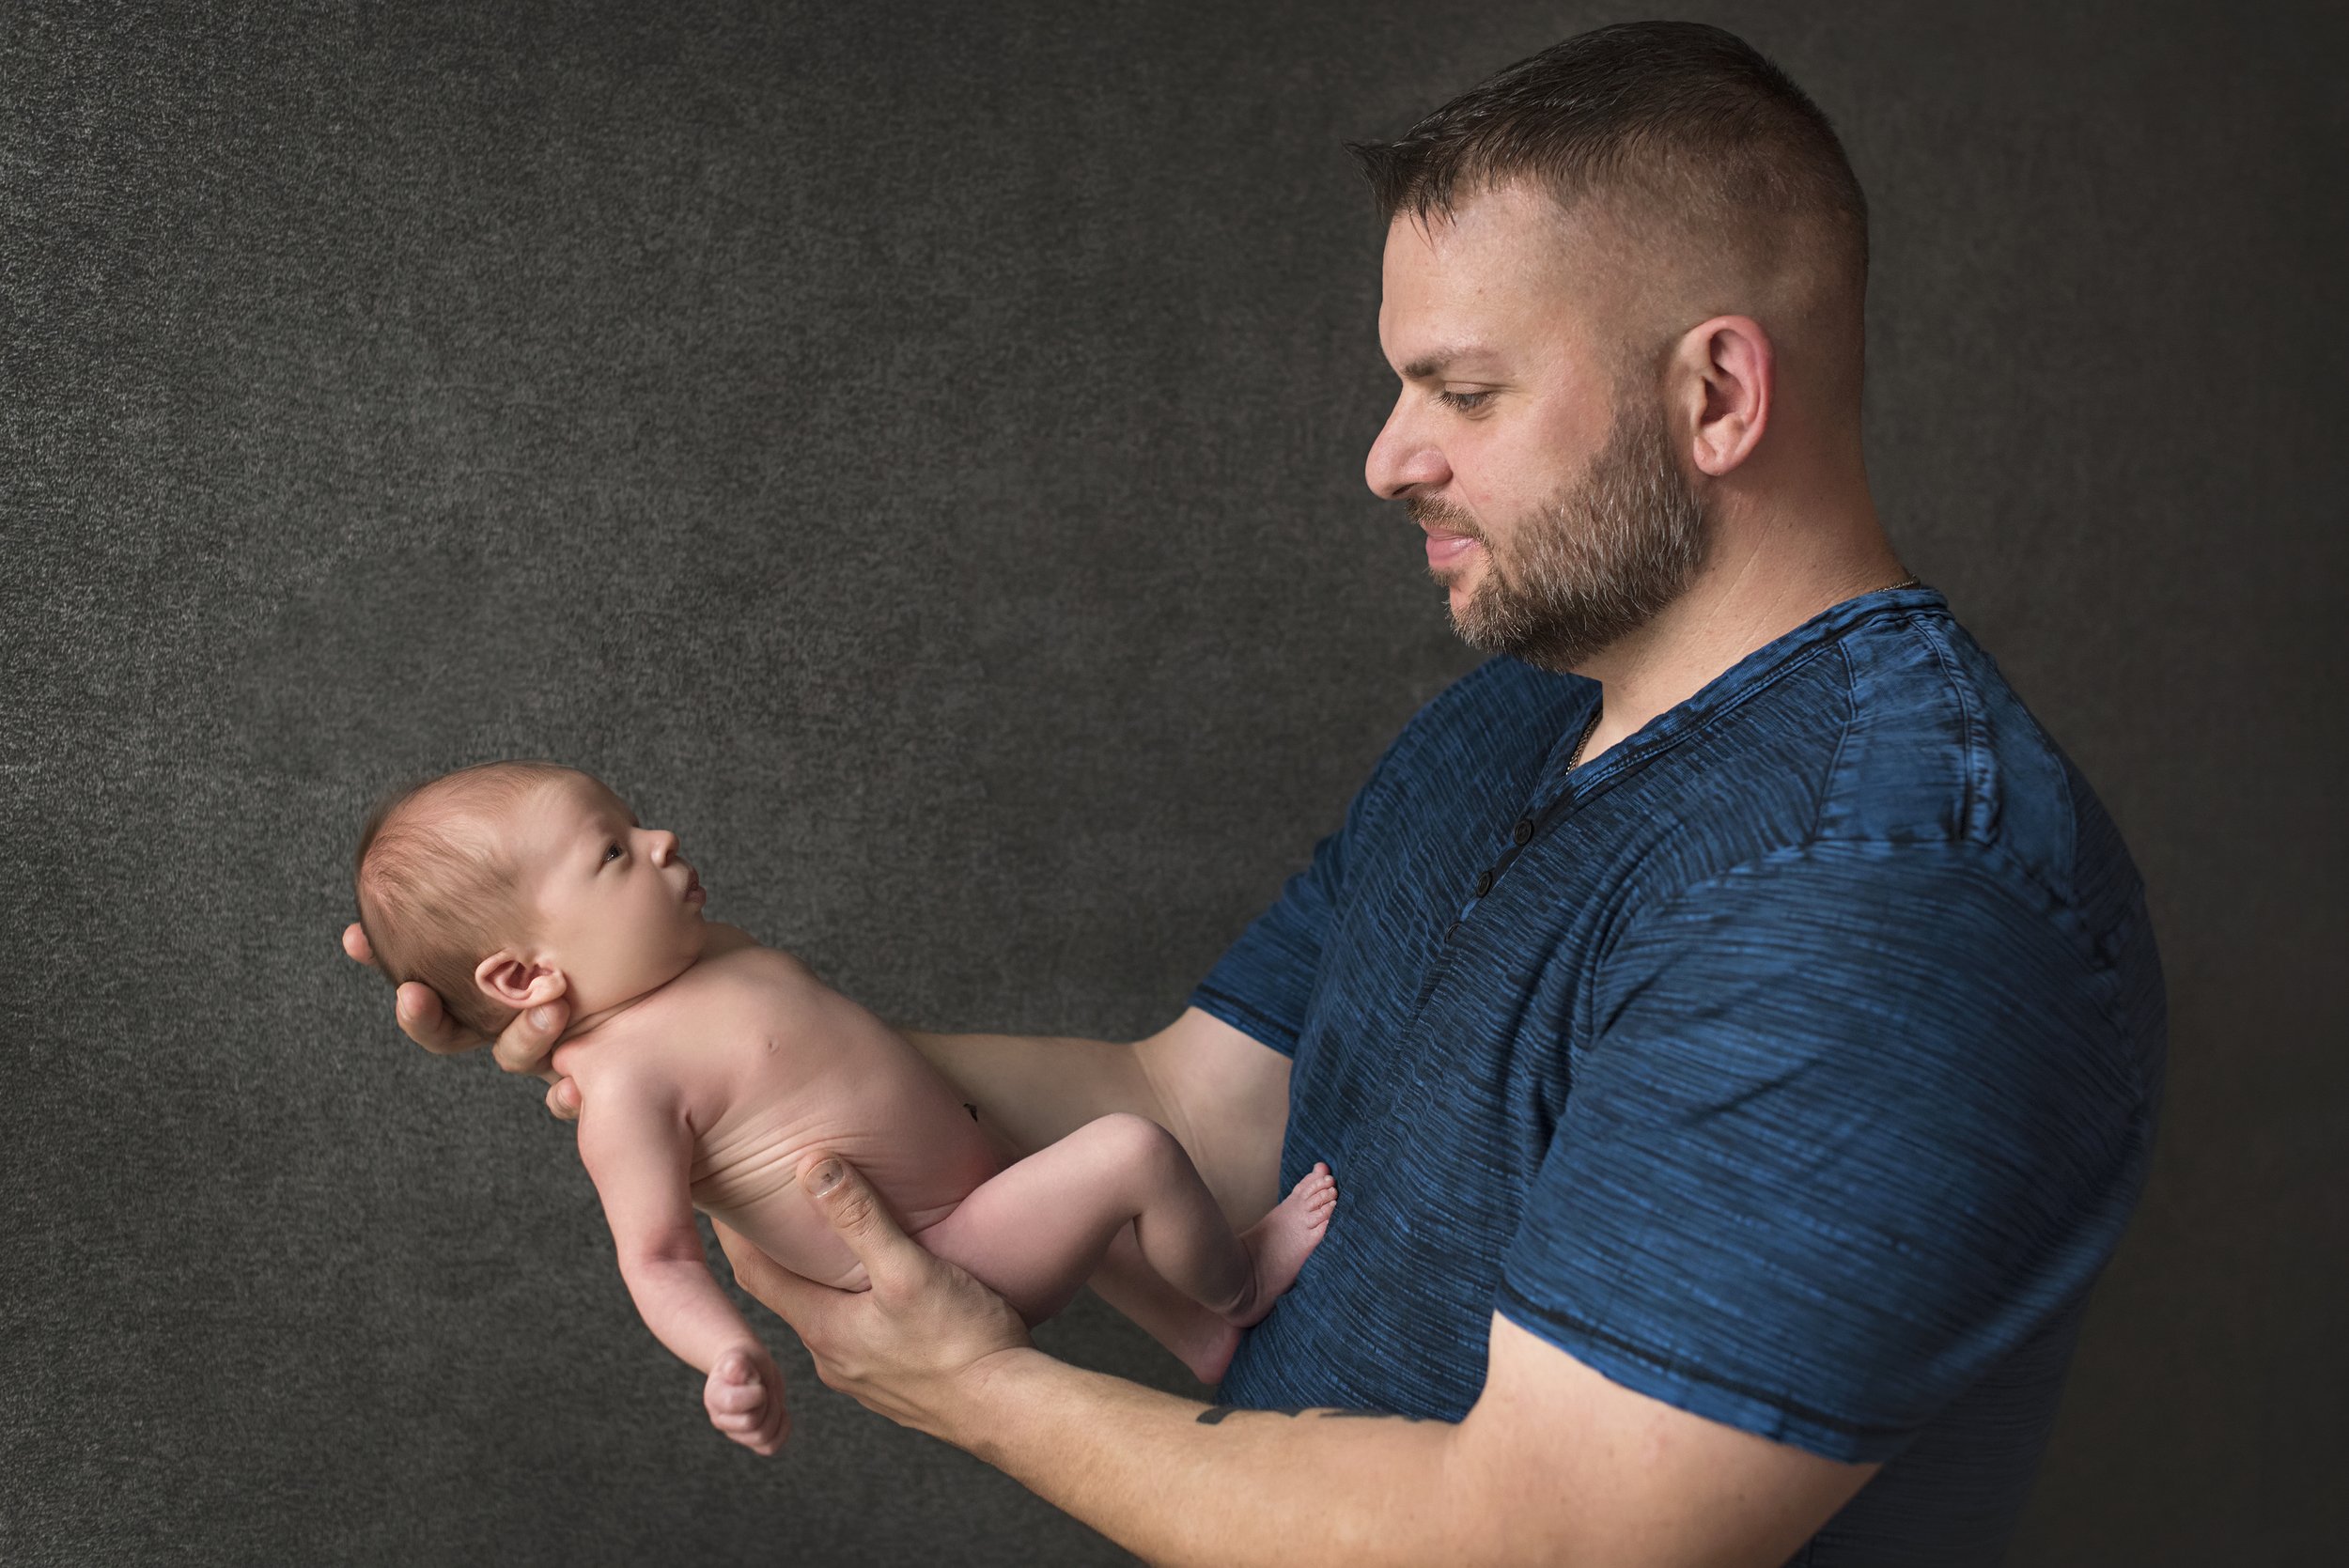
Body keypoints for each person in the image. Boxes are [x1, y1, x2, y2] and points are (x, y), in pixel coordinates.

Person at [344, 21, 2164, 1565]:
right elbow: (1187, 1113)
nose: (1386, 460)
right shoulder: (1498, 735)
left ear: (1713, 393)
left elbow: (1539, 1538)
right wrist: (697, 1042)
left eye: (1458, 387)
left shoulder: (1886, 893)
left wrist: (979, 1387)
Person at [349, 759, 1337, 1456]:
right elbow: (655, 1254)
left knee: (1079, 1181)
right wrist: (724, 1350)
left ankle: (1198, 1332)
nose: (659, 838)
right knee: (1128, 1154)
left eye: (634, 820)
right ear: (523, 973)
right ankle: (1238, 1286)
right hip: (946, 1256)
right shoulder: (621, 1087)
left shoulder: (701, 950)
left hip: (978, 1167)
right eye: (612, 851)